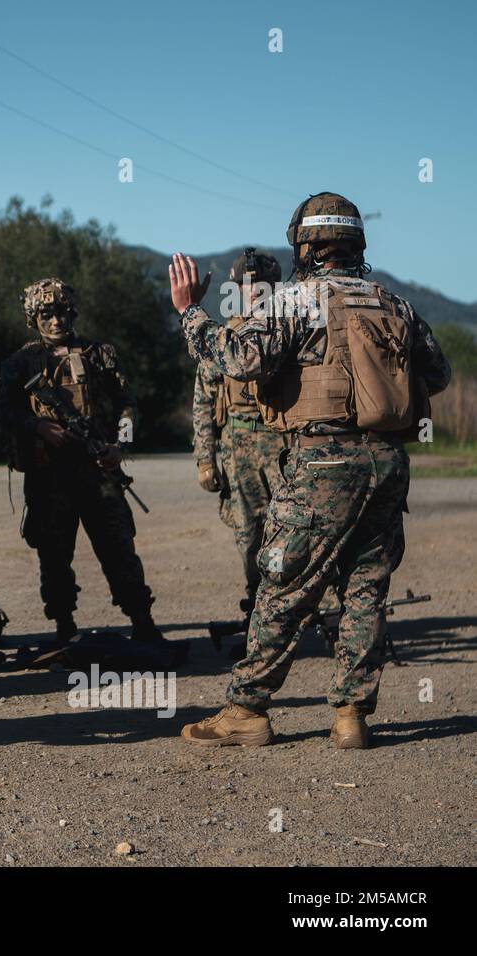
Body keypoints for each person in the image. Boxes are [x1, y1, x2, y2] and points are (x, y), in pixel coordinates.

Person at [172, 192, 450, 749]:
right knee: (366, 585)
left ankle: (247, 710)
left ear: (304, 244)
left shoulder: (296, 300)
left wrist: (190, 312)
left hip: (323, 459)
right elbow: (437, 374)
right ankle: (350, 715)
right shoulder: (393, 303)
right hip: (389, 462)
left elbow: (238, 360)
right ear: (356, 245)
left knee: (283, 582)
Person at [0, 279, 169, 663]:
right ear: (33, 318)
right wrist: (37, 427)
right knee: (54, 555)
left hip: (97, 471)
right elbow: (1, 410)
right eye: (46, 314)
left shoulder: (99, 354)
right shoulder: (22, 362)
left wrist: (118, 447)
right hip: (48, 475)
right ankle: (62, 628)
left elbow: (128, 405)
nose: (56, 321)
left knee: (119, 548)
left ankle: (142, 621)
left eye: (62, 313)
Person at [191, 248, 288, 617]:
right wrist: (205, 460)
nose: (253, 293)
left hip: (284, 446)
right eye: (246, 286)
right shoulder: (221, 338)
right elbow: (202, 401)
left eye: (261, 286)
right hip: (237, 446)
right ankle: (259, 609)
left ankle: (307, 610)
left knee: (293, 531)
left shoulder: (289, 332)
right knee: (248, 534)